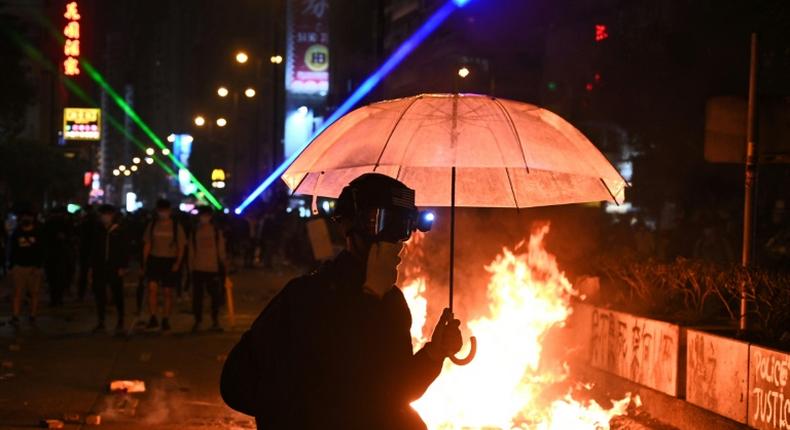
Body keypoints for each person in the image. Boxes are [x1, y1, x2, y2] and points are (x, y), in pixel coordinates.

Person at [220, 173, 462, 430]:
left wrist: (433, 355)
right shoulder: (306, 298)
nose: (394, 241)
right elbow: (236, 384)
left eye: (402, 228)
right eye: (380, 223)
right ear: (349, 227)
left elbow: (396, 390)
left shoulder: (392, 303)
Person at [142, 199, 185, 332]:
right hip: (154, 260)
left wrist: (178, 262)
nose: (163, 213)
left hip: (169, 261)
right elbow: (147, 244)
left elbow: (181, 246)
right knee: (152, 290)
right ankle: (153, 317)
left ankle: (165, 319)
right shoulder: (153, 225)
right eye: (161, 211)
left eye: (165, 211)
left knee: (167, 292)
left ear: (169, 211)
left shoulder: (175, 226)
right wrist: (144, 262)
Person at [89, 204, 128, 334]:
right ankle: (101, 321)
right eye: (103, 215)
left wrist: (123, 266)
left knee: (117, 293)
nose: (105, 217)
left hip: (115, 267)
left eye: (108, 215)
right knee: (100, 295)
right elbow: (93, 250)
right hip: (99, 266)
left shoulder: (119, 231)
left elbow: (124, 250)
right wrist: (91, 268)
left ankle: (121, 320)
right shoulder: (97, 230)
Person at [189, 206, 227, 332]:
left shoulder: (216, 232)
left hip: (213, 268)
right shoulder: (195, 231)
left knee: (215, 297)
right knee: (198, 297)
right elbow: (191, 251)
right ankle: (198, 321)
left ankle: (215, 320)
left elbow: (221, 251)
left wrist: (223, 265)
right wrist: (191, 266)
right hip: (198, 268)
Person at [8, 211, 44, 326]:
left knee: (34, 293)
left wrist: (38, 265)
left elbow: (42, 250)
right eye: (24, 216)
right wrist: (12, 265)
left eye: (28, 216)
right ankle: (15, 315)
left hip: (34, 267)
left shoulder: (38, 233)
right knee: (17, 293)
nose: (26, 218)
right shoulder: (16, 233)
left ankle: (32, 315)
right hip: (19, 267)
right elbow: (12, 250)